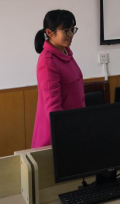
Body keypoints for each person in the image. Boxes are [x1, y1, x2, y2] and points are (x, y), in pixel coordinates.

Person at [32, 10, 85, 148]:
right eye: (66, 31)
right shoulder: (48, 62)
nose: (71, 34)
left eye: (73, 29)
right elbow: (53, 108)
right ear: (50, 33)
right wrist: (66, 137)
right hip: (58, 136)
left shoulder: (66, 53)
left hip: (74, 128)